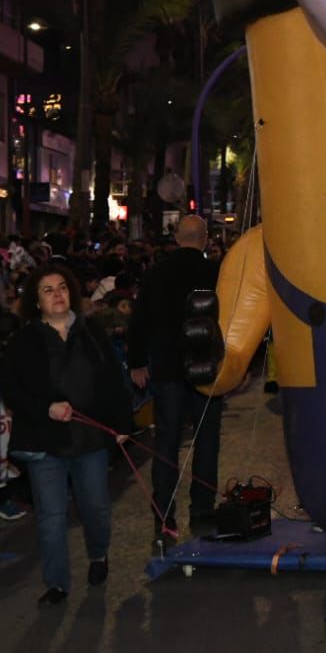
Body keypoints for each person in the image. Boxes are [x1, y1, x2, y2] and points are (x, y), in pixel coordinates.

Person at [1, 264, 132, 606]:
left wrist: (121, 426)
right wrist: (46, 407)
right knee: (51, 516)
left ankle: (98, 555)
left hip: (90, 438)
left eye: (61, 287)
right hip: (45, 442)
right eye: (47, 290)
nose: (57, 294)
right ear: (36, 300)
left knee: (96, 508)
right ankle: (56, 583)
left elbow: (114, 383)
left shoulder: (91, 331)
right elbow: (12, 390)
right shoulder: (23, 340)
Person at [128, 215, 222, 549]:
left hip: (167, 367)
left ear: (176, 237)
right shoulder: (216, 272)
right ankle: (202, 509)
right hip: (206, 366)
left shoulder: (156, 273)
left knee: (166, 442)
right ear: (205, 238)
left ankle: (164, 512)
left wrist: (136, 361)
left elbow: (139, 320)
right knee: (206, 438)